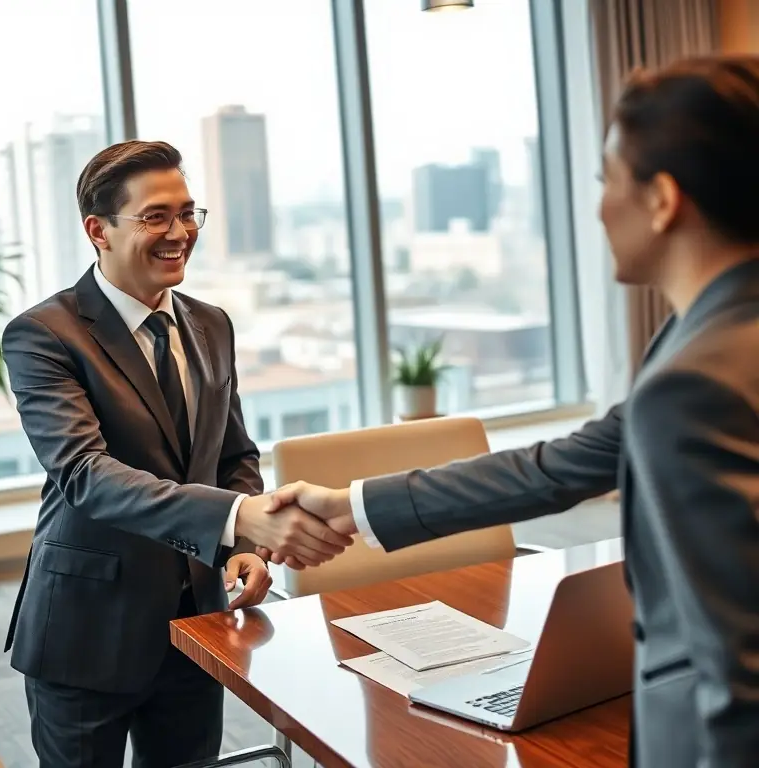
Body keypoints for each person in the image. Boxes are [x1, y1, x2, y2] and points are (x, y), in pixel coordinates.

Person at [263, 56, 759, 767]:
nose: (597, 208)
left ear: (661, 200)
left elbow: (742, 671)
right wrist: (349, 506)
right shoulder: (704, 341)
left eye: (606, 181)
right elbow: (562, 466)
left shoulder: (694, 381)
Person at [1, 140, 351, 768]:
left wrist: (244, 545)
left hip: (197, 620)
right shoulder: (44, 334)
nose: (180, 232)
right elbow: (85, 474)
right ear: (98, 231)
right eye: (155, 217)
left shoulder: (212, 323)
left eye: (188, 213)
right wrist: (235, 518)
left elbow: (234, 453)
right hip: (88, 628)